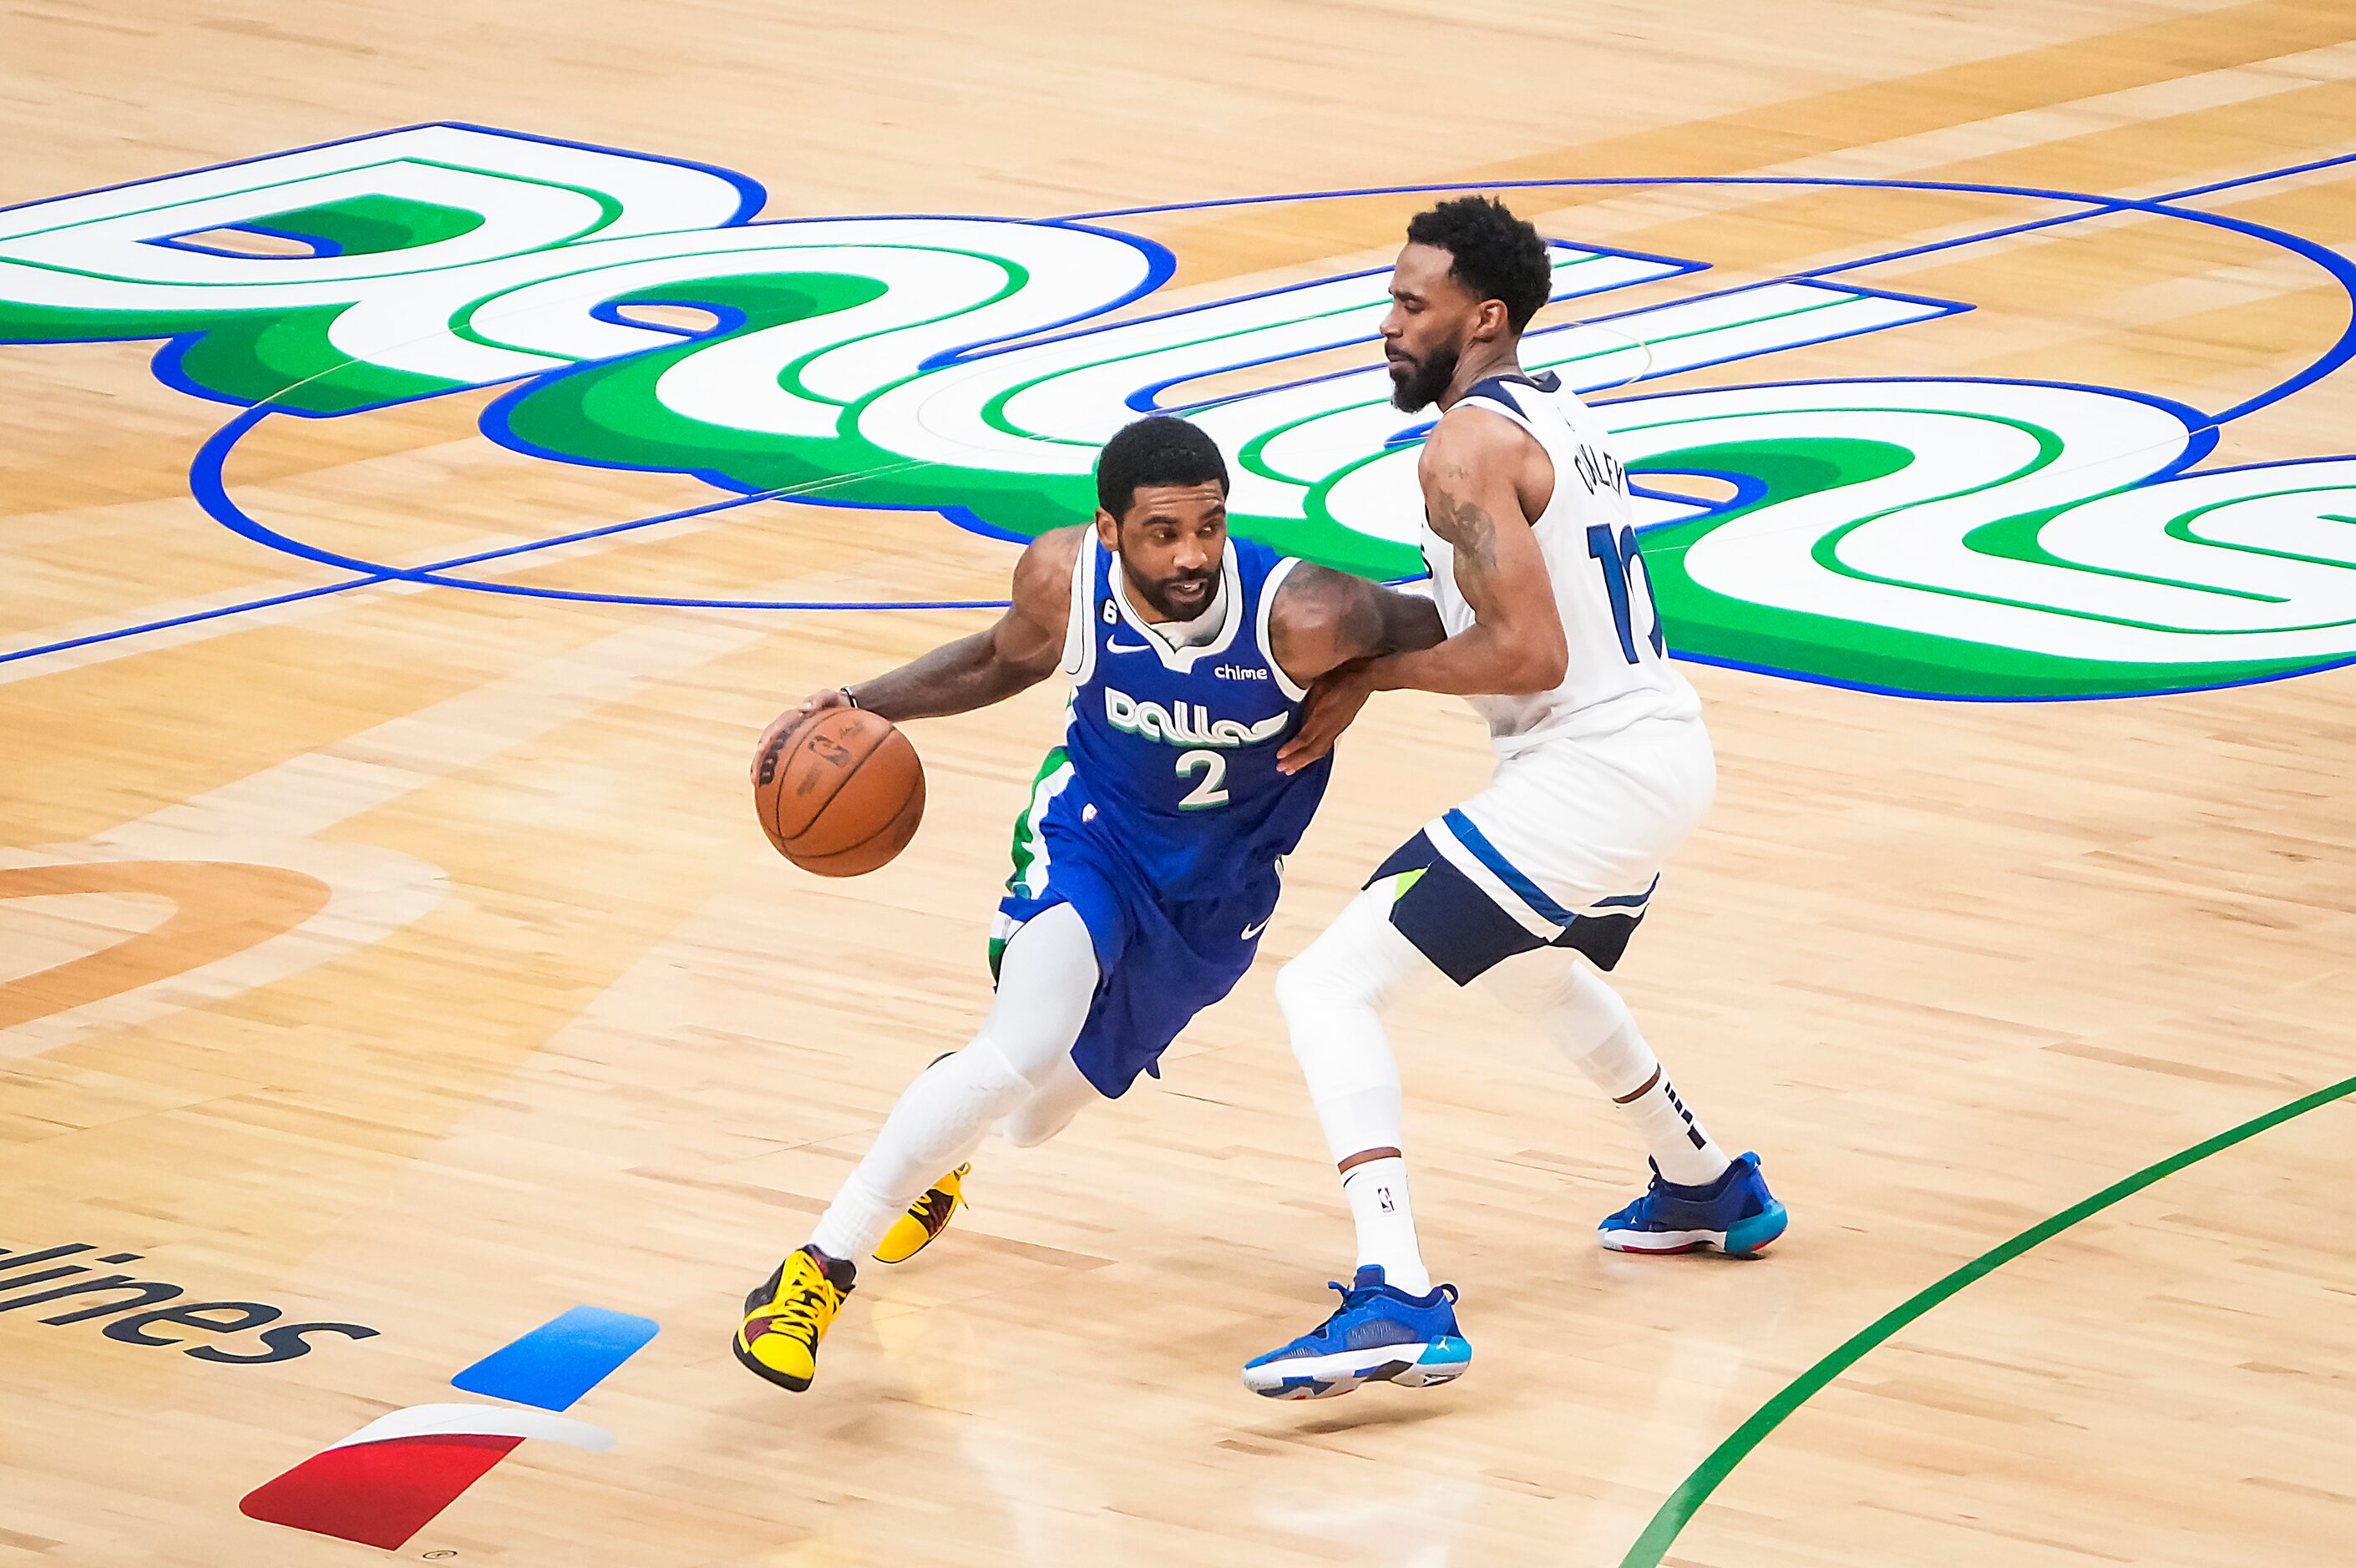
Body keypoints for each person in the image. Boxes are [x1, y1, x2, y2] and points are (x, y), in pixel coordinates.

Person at [734, 413, 1443, 1393]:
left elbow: (1450, 626)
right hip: (1092, 841)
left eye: (1210, 526)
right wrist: (860, 704)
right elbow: (997, 658)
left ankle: (947, 1138)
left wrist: (1367, 677)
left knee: (1026, 1118)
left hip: (1213, 899)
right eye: (1163, 531)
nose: (1193, 554)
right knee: (1021, 1044)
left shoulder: (1304, 615)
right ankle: (816, 1267)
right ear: (1109, 529)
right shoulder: (1063, 580)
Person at [1241, 196, 1786, 1402]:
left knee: (1324, 984)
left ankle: (1395, 1294)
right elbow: (1526, 617)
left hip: (1592, 766)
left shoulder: (1459, 450)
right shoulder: (1556, 412)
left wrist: (1373, 673)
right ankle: (1702, 1180)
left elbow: (1528, 651)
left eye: (1409, 302)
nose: (1385, 323)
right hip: (1653, 752)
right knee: (1532, 965)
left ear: (1480, 316)